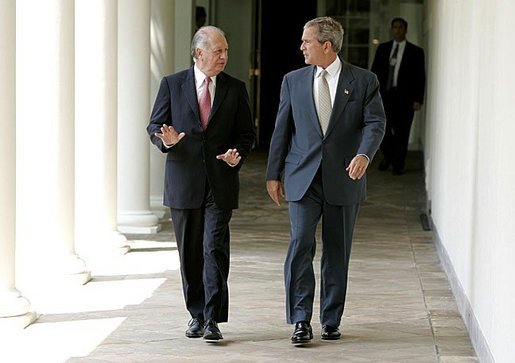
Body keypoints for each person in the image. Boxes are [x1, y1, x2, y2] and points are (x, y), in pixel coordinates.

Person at [265, 17, 385, 344]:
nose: (301, 47)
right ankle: (300, 320)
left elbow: (375, 123)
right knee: (300, 244)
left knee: (336, 252)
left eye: (307, 41)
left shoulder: (363, 81)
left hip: (344, 178)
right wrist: (273, 174)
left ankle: (331, 319)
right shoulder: (293, 80)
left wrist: (364, 154)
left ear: (326, 45)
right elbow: (282, 130)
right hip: (302, 178)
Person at [147, 25, 255, 342]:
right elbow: (154, 124)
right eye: (218, 51)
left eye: (226, 51)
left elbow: (246, 134)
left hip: (220, 183)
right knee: (191, 253)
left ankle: (212, 319)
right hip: (183, 182)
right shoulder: (172, 84)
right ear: (199, 53)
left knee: (214, 248)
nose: (224, 56)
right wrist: (166, 141)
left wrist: (238, 154)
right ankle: (195, 314)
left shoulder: (235, 89)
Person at [371, 17, 425, 175]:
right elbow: (375, 73)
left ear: (405, 30)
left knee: (402, 131)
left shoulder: (415, 52)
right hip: (384, 96)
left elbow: (420, 77)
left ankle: (398, 163)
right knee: (383, 129)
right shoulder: (383, 49)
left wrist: (418, 99)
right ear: (391, 29)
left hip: (405, 98)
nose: (397, 30)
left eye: (401, 27)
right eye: (395, 27)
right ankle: (389, 156)